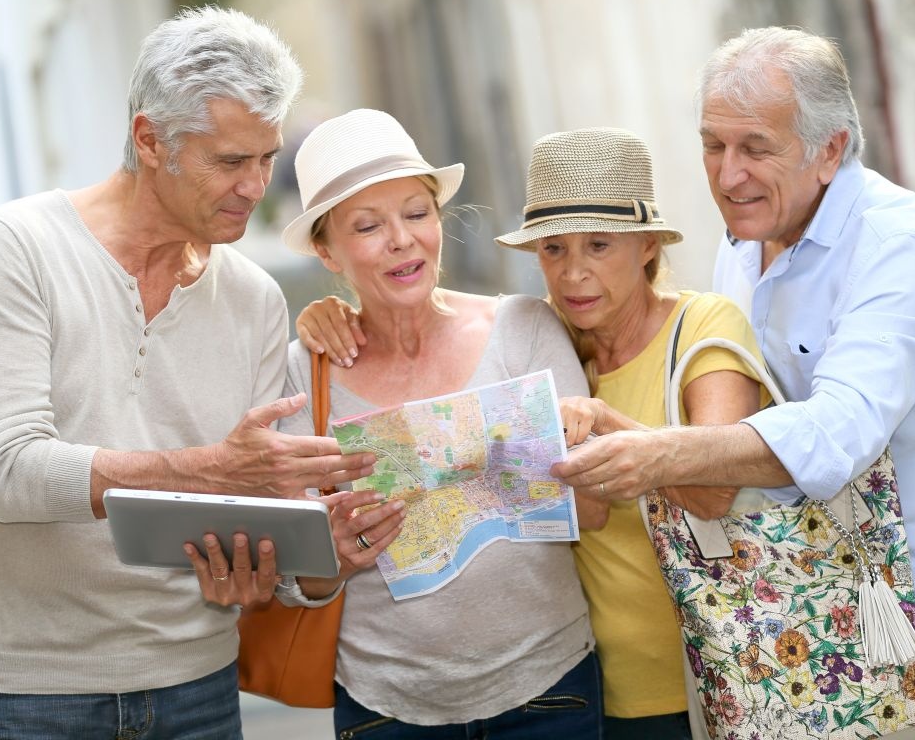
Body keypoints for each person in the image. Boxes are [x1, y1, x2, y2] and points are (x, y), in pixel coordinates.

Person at [0, 6, 374, 740]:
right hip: (23, 692)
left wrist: (279, 564)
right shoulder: (11, 250)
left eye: (266, 158)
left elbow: (269, 513)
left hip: (194, 685)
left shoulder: (253, 298)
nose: (256, 184)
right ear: (150, 139)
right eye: (230, 162)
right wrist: (213, 471)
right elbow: (9, 473)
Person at [553, 27, 915, 737]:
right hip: (817, 636)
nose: (727, 175)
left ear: (832, 149)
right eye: (712, 145)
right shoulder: (744, 241)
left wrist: (659, 454)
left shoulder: (897, 243)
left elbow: (838, 431)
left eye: (755, 147)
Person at [298, 126, 770, 739]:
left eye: (599, 245)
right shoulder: (557, 333)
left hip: (707, 665)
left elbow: (710, 492)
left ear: (649, 244)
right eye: (553, 251)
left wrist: (601, 422)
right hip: (601, 682)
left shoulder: (696, 325)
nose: (574, 275)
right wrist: (325, 312)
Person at [275, 108, 602, 738]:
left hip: (547, 691)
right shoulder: (304, 374)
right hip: (385, 706)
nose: (402, 239)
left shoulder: (524, 327)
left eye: (417, 214)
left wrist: (567, 446)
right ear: (326, 250)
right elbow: (301, 581)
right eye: (367, 226)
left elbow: (591, 512)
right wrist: (338, 554)